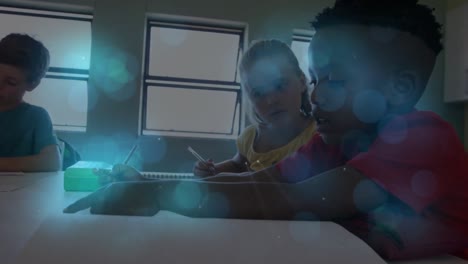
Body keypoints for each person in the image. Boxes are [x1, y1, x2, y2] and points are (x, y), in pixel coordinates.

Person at [64, 0, 468, 260]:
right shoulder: (333, 141)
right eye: (315, 79)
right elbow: (263, 179)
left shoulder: (421, 136)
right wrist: (154, 189)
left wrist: (154, 192)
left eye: (337, 80)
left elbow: (291, 197)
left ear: (400, 87)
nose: (318, 96)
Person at [193, 39, 316, 177]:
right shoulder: (251, 137)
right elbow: (238, 164)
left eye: (280, 85)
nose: (271, 100)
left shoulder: (317, 133)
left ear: (301, 82)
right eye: (258, 93)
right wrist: (213, 170)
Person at [0, 33, 61, 172]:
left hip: (22, 193)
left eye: (10, 82)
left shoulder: (36, 117)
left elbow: (52, 162)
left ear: (32, 85)